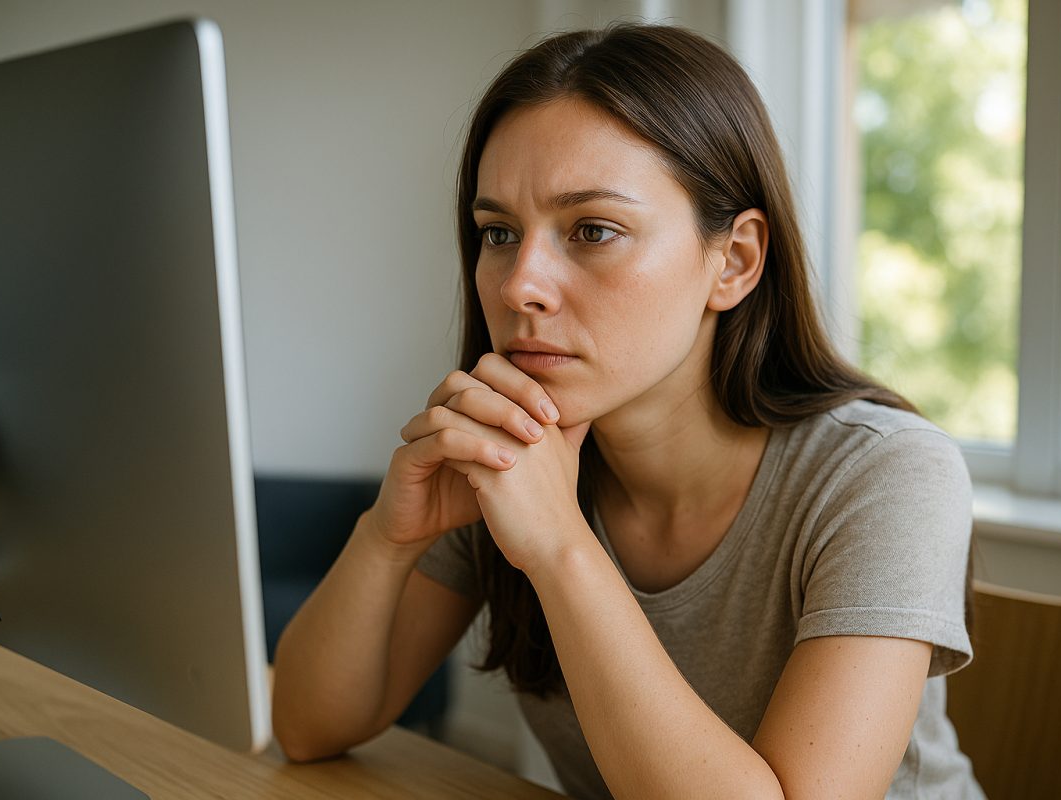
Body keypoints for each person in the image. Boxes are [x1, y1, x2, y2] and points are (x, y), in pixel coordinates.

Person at [271, 23, 984, 800]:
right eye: (498, 233)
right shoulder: (513, 455)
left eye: (594, 231)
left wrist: (559, 548)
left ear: (734, 262)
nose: (519, 286)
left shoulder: (887, 473)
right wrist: (386, 537)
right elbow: (309, 729)